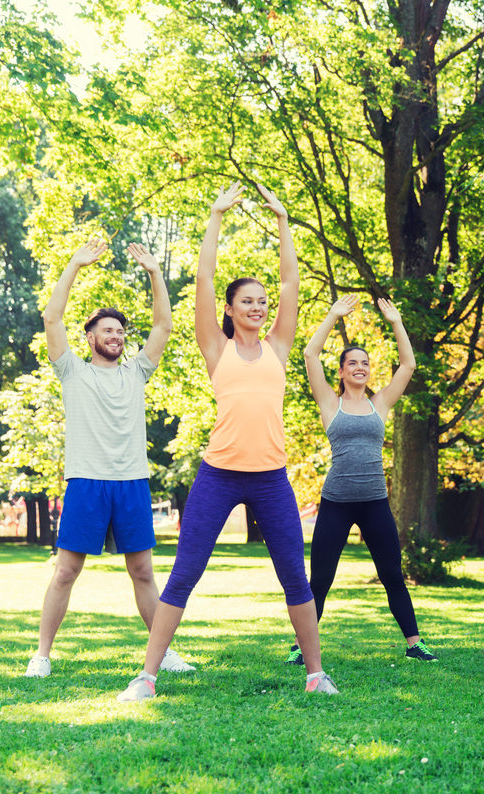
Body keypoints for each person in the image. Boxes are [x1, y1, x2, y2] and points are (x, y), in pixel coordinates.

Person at [116, 182, 337, 700]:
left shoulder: (280, 347)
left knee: (295, 579)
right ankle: (146, 677)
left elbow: (291, 281)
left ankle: (315, 673)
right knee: (184, 574)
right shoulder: (216, 348)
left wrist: (284, 221)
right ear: (232, 310)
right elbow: (206, 277)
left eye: (263, 302)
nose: (260, 307)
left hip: (271, 477)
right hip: (218, 474)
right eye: (248, 302)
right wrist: (215, 214)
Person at [25, 239, 194, 679]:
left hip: (132, 483)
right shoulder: (71, 370)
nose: (116, 337)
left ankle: (165, 654)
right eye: (108, 331)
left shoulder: (136, 371)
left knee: (142, 571)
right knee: (66, 572)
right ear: (91, 337)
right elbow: (52, 316)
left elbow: (163, 327)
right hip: (87, 482)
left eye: (120, 332)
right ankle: (41, 655)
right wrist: (75, 264)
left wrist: (156, 273)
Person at [285, 294, 438, 665]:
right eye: (352, 362)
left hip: (374, 503)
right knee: (319, 579)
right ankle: (300, 647)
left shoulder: (380, 403)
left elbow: (408, 364)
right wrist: (332, 314)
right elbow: (309, 356)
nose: (360, 367)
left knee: (392, 575)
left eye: (365, 363)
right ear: (341, 371)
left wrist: (397, 322)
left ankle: (414, 643)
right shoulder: (328, 402)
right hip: (336, 502)